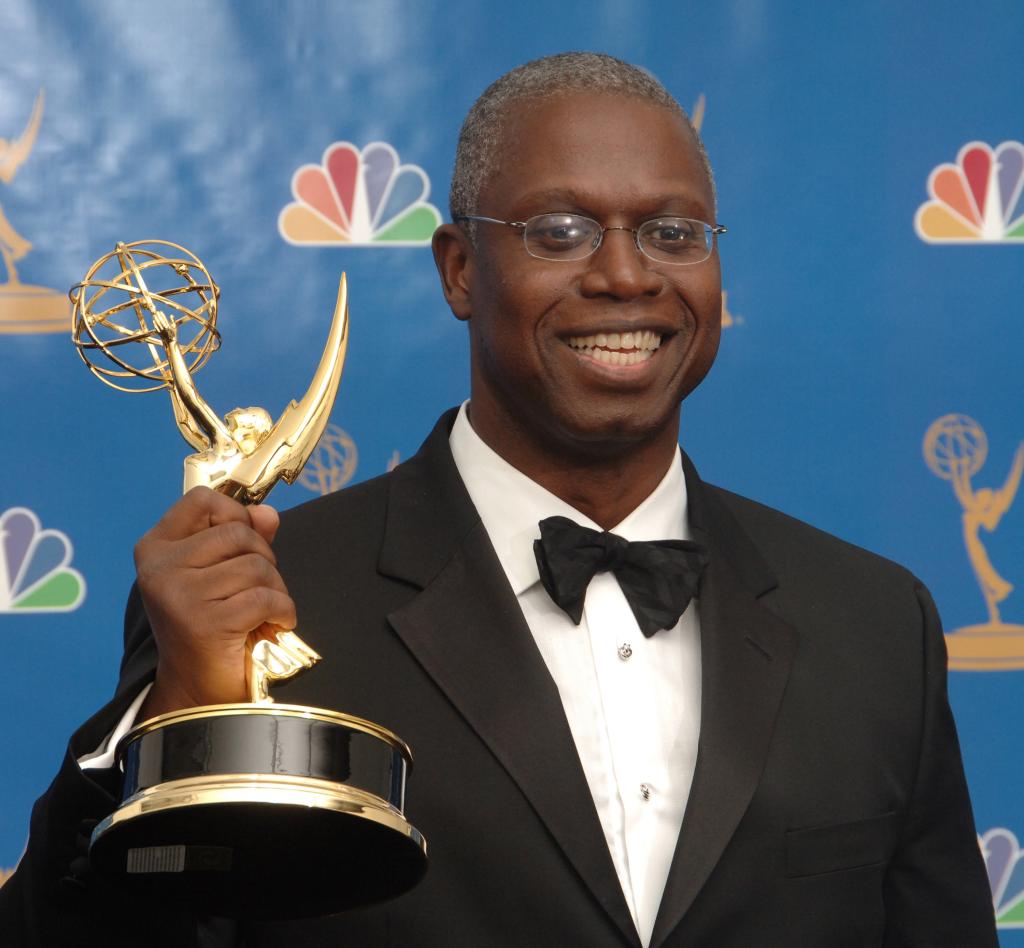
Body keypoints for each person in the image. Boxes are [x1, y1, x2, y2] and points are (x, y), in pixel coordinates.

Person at [1, 52, 998, 947]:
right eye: (558, 231)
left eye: (671, 230)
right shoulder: (264, 604)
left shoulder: (874, 625)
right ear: (460, 269)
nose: (623, 273)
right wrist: (179, 710)